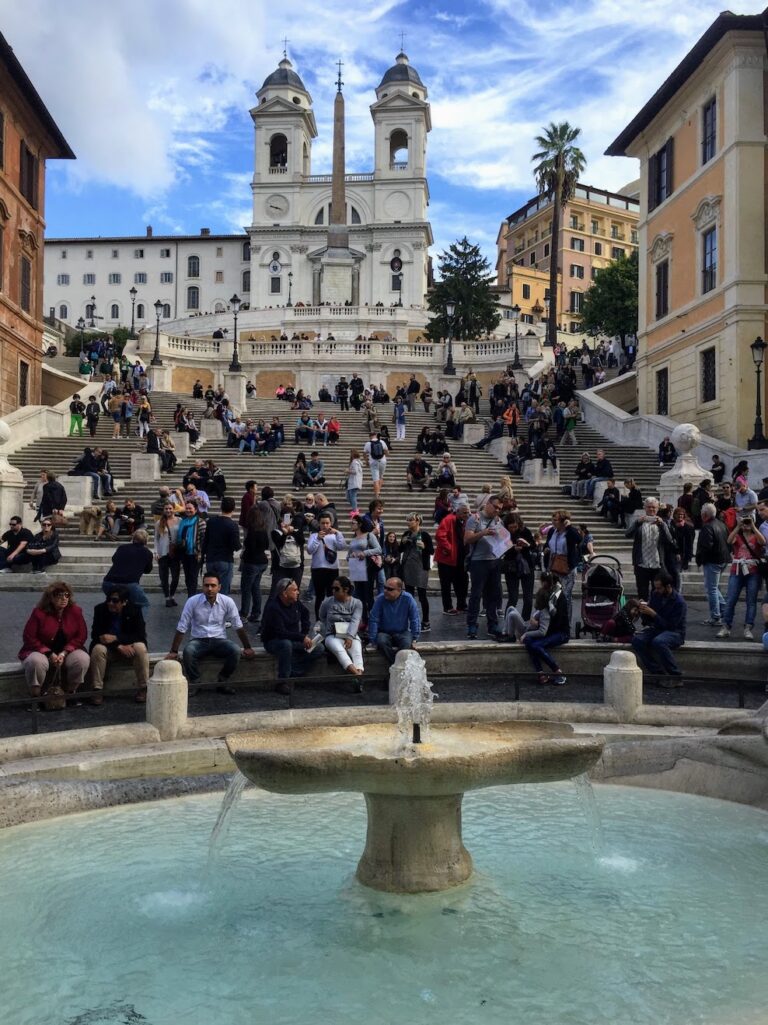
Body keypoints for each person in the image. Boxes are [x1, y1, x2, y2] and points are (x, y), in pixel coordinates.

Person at [165, 572, 255, 694]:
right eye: (206, 585)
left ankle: (222, 681)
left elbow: (237, 626)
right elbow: (182, 627)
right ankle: (195, 682)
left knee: (235, 650)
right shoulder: (192, 601)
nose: (210, 589)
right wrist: (174, 651)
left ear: (219, 587)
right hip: (199, 640)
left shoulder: (227, 601)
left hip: (219, 640)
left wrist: (248, 647)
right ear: (202, 586)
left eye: (213, 585)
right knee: (188, 652)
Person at [18, 581, 89, 699]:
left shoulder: (75, 611)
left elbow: (81, 636)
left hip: (66, 651)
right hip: (41, 651)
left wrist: (64, 652)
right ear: (50, 597)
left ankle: (71, 693)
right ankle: (35, 697)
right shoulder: (39, 613)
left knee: (82, 659)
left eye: (66, 595)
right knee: (36, 662)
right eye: (59, 595)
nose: (64, 598)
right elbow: (29, 637)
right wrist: (48, 653)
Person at [261, 577, 325, 691]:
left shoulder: (295, 602)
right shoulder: (273, 607)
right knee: (286, 645)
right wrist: (301, 637)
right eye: (295, 590)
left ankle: (293, 672)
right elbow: (280, 632)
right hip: (274, 641)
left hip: (293, 639)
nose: (298, 592)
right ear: (284, 593)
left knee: (318, 648)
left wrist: (304, 633)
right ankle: (283, 681)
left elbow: (305, 614)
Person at [505, 573, 569, 685]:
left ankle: (557, 671)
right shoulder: (549, 596)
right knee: (528, 641)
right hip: (549, 631)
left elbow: (557, 621)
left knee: (535, 645)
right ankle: (541, 673)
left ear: (547, 582)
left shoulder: (558, 598)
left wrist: (538, 624)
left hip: (560, 633)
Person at [89, 587, 150, 704]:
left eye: (115, 601)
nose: (111, 603)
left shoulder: (135, 610)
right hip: (110, 650)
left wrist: (117, 638)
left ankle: (143, 687)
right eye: (109, 600)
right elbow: (96, 635)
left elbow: (140, 635)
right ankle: (97, 689)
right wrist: (118, 646)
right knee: (98, 649)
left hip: (129, 649)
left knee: (140, 647)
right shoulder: (100, 609)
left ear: (125, 602)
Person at [631, 571, 687, 686]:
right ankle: (657, 672)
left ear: (668, 586)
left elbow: (671, 626)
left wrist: (653, 614)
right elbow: (648, 621)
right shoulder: (655, 595)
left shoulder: (679, 602)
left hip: (675, 632)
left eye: (659, 588)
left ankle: (676, 675)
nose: (656, 590)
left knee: (659, 642)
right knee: (637, 640)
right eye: (655, 588)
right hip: (657, 628)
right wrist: (642, 611)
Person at [716, 514, 765, 640]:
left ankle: (748, 628)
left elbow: (763, 542)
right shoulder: (738, 536)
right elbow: (729, 540)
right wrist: (738, 526)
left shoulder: (756, 535)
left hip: (753, 571)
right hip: (737, 570)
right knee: (731, 599)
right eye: (745, 522)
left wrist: (753, 526)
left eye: (748, 522)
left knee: (751, 601)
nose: (746, 524)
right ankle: (726, 626)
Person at [464, 494, 505, 640]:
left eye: (500, 509)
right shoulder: (475, 519)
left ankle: (492, 624)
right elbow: (467, 539)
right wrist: (483, 533)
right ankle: (472, 625)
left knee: (493, 595)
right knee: (476, 594)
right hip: (478, 561)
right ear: (488, 504)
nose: (497, 511)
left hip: (494, 560)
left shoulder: (498, 520)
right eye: (495, 507)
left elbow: (503, 540)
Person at [626, 498, 676, 601]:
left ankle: (655, 614)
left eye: (654, 507)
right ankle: (645, 615)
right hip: (641, 564)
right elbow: (628, 534)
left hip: (657, 564)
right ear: (645, 508)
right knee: (642, 593)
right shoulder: (639, 521)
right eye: (649, 507)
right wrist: (638, 523)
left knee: (657, 593)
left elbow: (669, 540)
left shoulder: (662, 523)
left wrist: (662, 525)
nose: (651, 509)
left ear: (657, 509)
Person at [319, 575, 365, 682]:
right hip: (332, 635)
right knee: (339, 650)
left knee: (357, 651)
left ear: (346, 589)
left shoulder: (357, 603)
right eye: (332, 588)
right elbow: (322, 616)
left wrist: (349, 636)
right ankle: (358, 676)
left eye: (336, 589)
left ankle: (358, 676)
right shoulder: (327, 602)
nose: (333, 591)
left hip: (351, 634)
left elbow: (355, 620)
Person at [368, 576, 421, 666]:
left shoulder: (408, 599)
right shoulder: (380, 599)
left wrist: (415, 637)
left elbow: (414, 618)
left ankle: (394, 666)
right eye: (385, 588)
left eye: (390, 589)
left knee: (407, 643)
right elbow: (373, 619)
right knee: (381, 641)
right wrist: (372, 640)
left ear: (399, 590)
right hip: (384, 632)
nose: (385, 591)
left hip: (402, 632)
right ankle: (395, 666)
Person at [306, 513, 347, 617]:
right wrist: (318, 539)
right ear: (319, 524)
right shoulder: (314, 536)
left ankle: (331, 618)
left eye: (327, 523)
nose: (325, 525)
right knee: (319, 596)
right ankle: (318, 619)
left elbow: (342, 546)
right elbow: (310, 550)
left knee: (332, 595)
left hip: (332, 569)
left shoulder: (334, 536)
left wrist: (338, 533)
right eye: (322, 523)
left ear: (331, 524)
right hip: (318, 569)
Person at [695, 502, 730, 627]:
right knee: (713, 587)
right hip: (723, 559)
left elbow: (706, 547)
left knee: (712, 589)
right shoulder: (722, 524)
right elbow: (729, 542)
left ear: (704, 515)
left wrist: (700, 559)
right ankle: (725, 610)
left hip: (713, 560)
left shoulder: (707, 527)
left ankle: (715, 616)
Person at [399, 513, 433, 633]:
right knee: (409, 596)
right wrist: (402, 543)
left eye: (411, 520)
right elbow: (399, 550)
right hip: (408, 567)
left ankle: (426, 621)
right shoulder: (406, 534)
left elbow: (431, 550)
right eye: (407, 520)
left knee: (422, 596)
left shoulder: (424, 535)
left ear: (418, 521)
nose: (408, 522)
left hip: (420, 568)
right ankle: (410, 620)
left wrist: (424, 546)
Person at [101, 529, 153, 608]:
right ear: (146, 540)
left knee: (115, 602)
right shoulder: (147, 552)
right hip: (129, 584)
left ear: (133, 538)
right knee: (143, 604)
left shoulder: (122, 547)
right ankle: (137, 620)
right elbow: (147, 570)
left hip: (108, 582)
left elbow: (114, 560)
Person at [545, 509, 581, 619]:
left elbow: (579, 539)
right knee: (553, 595)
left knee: (565, 596)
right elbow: (548, 543)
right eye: (553, 519)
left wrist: (569, 527)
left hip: (567, 567)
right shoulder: (552, 531)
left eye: (556, 520)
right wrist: (545, 548)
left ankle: (567, 624)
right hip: (554, 565)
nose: (553, 522)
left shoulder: (569, 532)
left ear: (563, 521)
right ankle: (554, 622)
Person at [434, 503, 469, 615]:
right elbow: (440, 535)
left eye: (468, 512)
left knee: (462, 582)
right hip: (447, 559)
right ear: (457, 511)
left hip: (459, 558)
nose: (467, 514)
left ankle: (461, 605)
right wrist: (449, 548)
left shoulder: (465, 521)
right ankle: (448, 607)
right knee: (446, 584)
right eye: (464, 512)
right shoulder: (449, 519)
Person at [201, 496, 241, 596]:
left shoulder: (211, 522)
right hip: (225, 558)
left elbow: (205, 540)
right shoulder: (232, 525)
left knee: (211, 588)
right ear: (233, 508)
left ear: (221, 507)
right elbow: (236, 546)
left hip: (211, 558)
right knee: (223, 590)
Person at [500, 512, 536, 620]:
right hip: (511, 567)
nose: (513, 529)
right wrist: (513, 548)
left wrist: (526, 545)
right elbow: (501, 549)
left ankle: (525, 621)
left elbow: (533, 545)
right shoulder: (504, 533)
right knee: (513, 598)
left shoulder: (525, 531)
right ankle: (508, 622)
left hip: (526, 566)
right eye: (511, 527)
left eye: (515, 527)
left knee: (528, 598)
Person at [240, 504, 270, 624]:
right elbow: (267, 545)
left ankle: (244, 613)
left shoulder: (252, 531)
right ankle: (256, 612)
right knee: (255, 587)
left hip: (251, 562)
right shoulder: (263, 529)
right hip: (262, 561)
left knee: (246, 588)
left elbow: (250, 547)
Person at [154, 502, 181, 608]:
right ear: (164, 510)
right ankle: (167, 597)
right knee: (164, 577)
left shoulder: (180, 521)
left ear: (174, 509)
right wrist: (156, 552)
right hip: (163, 552)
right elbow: (156, 539)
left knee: (175, 577)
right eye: (166, 508)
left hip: (175, 553)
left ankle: (172, 595)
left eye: (170, 508)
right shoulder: (159, 522)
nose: (168, 510)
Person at [177, 500, 205, 598]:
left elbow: (203, 539)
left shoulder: (200, 521)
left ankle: (192, 597)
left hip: (195, 553)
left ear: (196, 509)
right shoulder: (183, 521)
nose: (188, 510)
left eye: (190, 508)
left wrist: (200, 552)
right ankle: (191, 596)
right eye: (187, 508)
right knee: (187, 577)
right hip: (184, 553)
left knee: (193, 577)